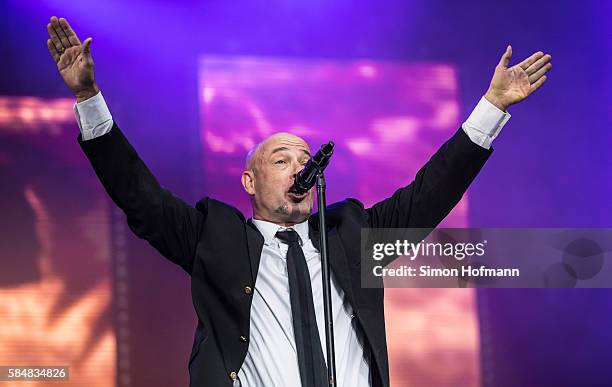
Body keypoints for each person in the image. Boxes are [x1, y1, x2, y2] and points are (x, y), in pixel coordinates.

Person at [46, 15, 551, 387]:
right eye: (282, 159)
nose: (299, 168)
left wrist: (491, 107)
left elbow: (431, 192)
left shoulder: (350, 234)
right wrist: (89, 97)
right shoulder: (213, 237)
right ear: (248, 181)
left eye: (305, 158)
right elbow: (139, 196)